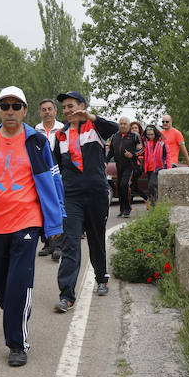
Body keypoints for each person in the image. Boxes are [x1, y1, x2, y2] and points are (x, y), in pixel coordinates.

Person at [0, 87, 64, 366]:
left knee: (19, 283)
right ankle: (14, 315)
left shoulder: (36, 143)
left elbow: (53, 180)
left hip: (27, 222)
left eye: (16, 106)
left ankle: (17, 344)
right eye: (5, 106)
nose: (10, 111)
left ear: (24, 110)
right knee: (1, 285)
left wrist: (56, 220)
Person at [52, 91, 119, 313]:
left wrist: (90, 116)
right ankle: (67, 296)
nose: (67, 111)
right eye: (64, 108)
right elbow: (57, 167)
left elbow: (114, 128)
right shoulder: (60, 136)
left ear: (81, 106)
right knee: (71, 243)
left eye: (71, 106)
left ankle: (101, 277)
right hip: (72, 196)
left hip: (96, 194)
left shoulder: (95, 128)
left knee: (96, 239)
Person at [34, 98, 65, 260]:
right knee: (42, 209)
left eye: (49, 109)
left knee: (57, 209)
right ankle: (46, 243)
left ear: (55, 111)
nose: (47, 112)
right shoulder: (35, 131)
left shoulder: (62, 129)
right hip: (41, 177)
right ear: (40, 113)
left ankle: (58, 245)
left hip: (59, 175)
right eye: (44, 109)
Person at [105, 116, 142, 217]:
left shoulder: (134, 136)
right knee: (120, 187)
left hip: (130, 165)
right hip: (119, 165)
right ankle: (122, 209)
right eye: (121, 124)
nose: (122, 125)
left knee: (125, 185)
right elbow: (111, 151)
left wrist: (133, 154)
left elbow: (141, 150)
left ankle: (128, 209)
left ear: (129, 125)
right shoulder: (115, 136)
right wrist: (106, 161)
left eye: (125, 124)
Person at [142, 124, 167, 202]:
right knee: (151, 188)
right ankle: (154, 205)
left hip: (157, 168)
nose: (150, 136)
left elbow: (166, 155)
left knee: (151, 186)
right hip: (148, 168)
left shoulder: (161, 143)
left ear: (155, 133)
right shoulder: (146, 142)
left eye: (152, 134)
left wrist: (168, 167)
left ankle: (154, 205)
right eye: (148, 134)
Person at [128, 120, 148, 202]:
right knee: (133, 185)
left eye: (136, 128)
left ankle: (146, 199)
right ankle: (146, 199)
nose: (134, 129)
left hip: (138, 164)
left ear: (139, 129)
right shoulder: (129, 138)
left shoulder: (142, 139)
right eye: (132, 128)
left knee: (133, 185)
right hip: (130, 164)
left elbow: (144, 150)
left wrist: (134, 154)